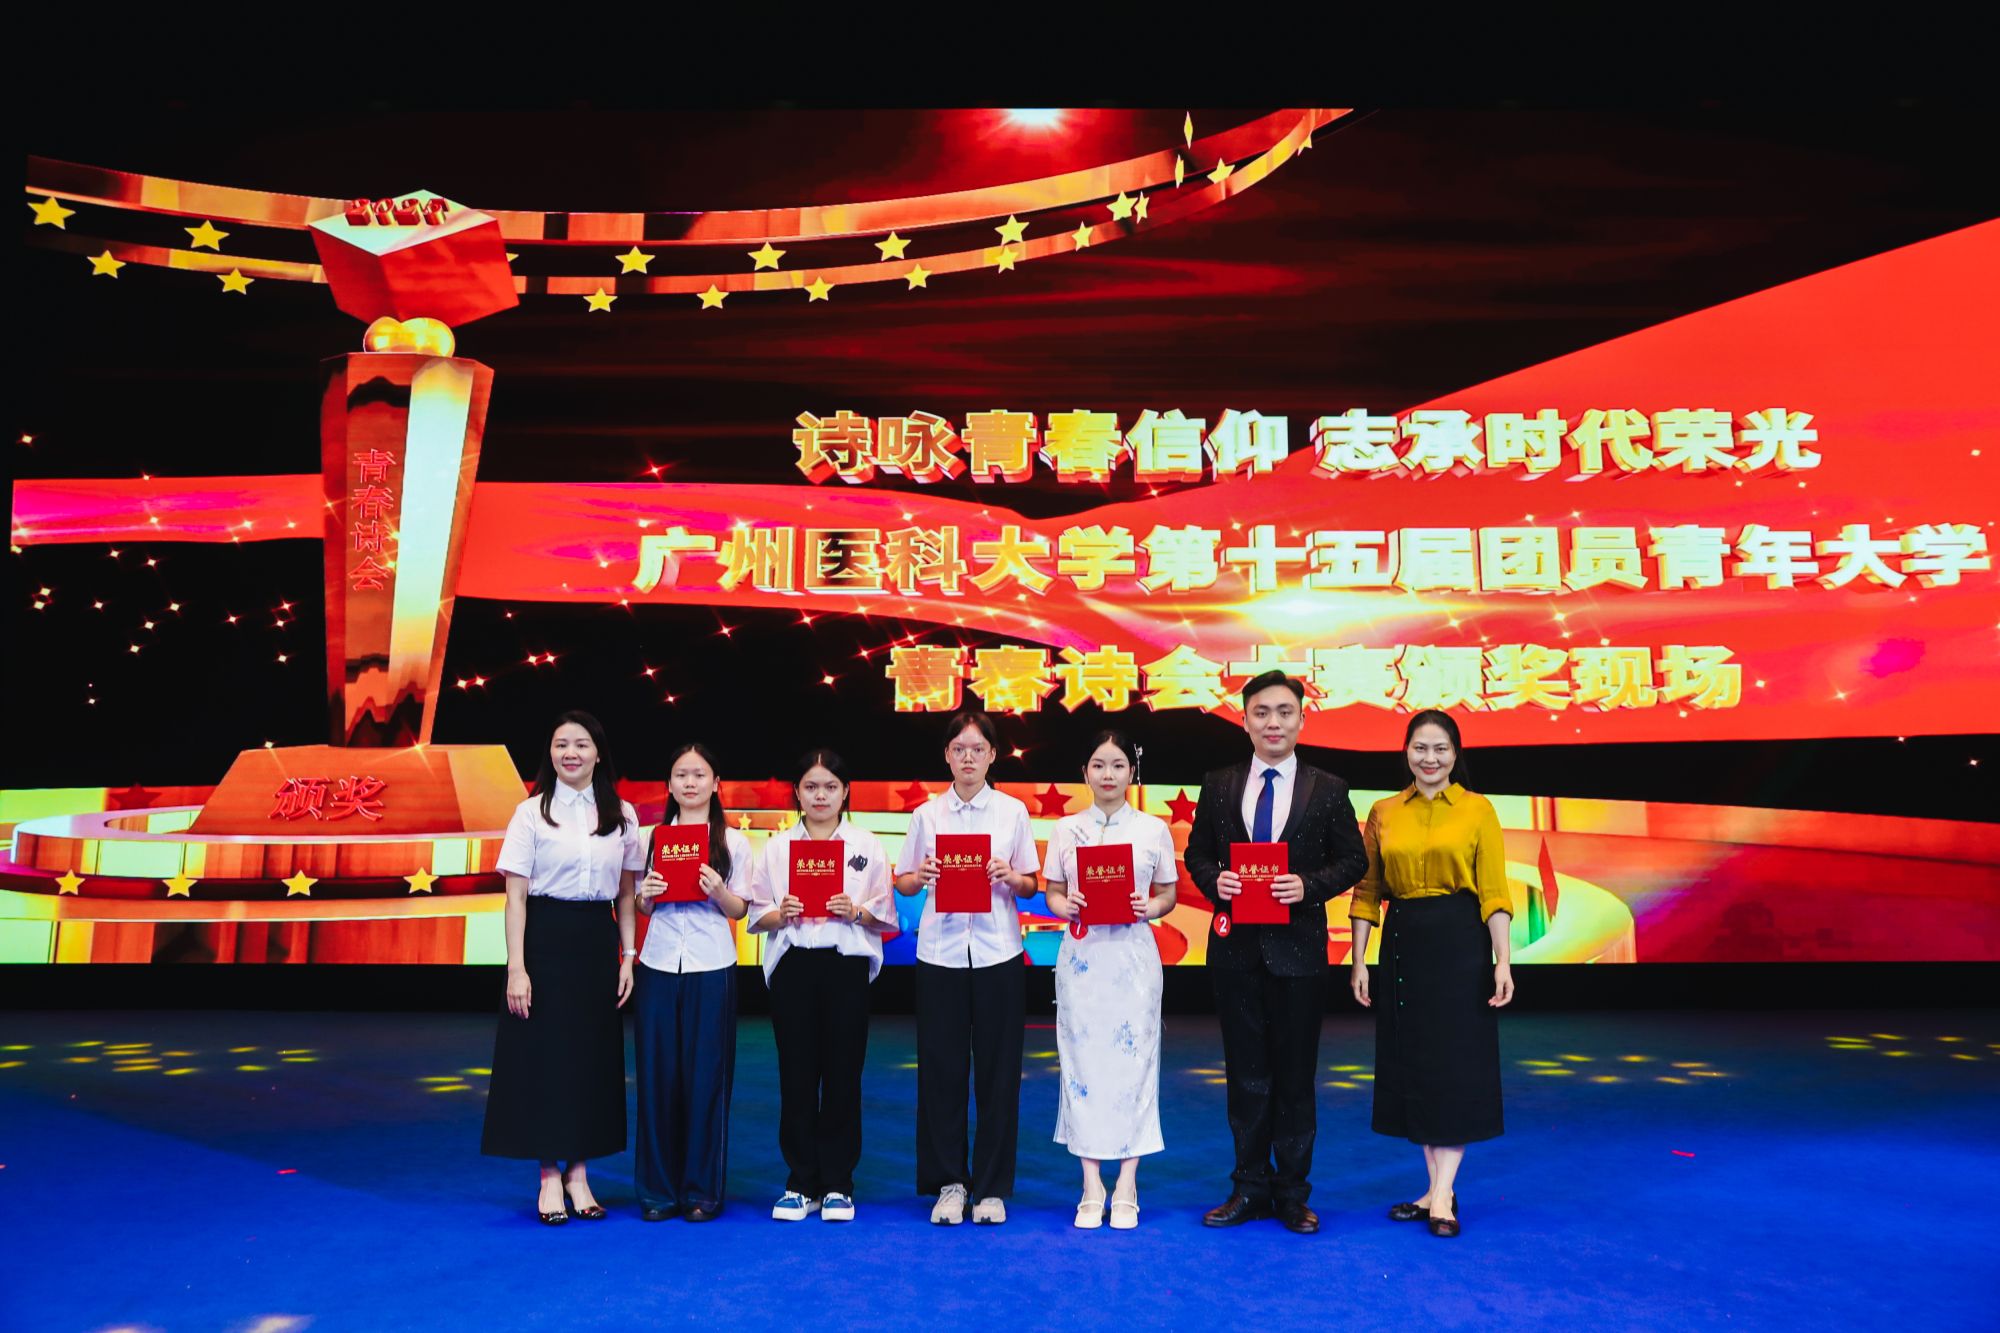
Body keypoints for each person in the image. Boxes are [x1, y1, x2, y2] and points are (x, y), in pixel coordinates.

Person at [1183, 670, 1368, 1235]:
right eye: (1261, 712)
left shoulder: (1328, 788)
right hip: (1235, 952)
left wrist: (1308, 886)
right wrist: (1216, 881)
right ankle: (1248, 1187)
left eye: (1284, 712)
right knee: (1245, 1075)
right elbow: (1197, 854)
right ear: (1244, 720)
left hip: (1300, 953)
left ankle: (1291, 1193)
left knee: (1294, 1077)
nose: (1273, 722)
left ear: (1302, 720)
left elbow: (1354, 860)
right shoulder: (1218, 783)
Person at [1348, 710, 1515, 1239]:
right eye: (1420, 747)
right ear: (1406, 752)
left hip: (1460, 945)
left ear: (1455, 753)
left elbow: (1494, 893)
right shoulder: (1383, 812)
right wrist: (1359, 959)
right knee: (1417, 1067)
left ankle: (1442, 1196)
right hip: (1403, 946)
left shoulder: (1478, 809)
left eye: (1440, 748)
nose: (1430, 758)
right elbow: (1367, 892)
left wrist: (1503, 960)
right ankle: (1434, 1189)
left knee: (1454, 1068)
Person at [481, 710, 643, 1225]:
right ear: (550, 753)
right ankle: (550, 1175)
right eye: (560, 744)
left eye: (581, 744)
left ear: (598, 752)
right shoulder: (531, 812)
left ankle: (580, 1174)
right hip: (544, 940)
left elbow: (626, 894)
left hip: (596, 941)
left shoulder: (622, 814)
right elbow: (515, 897)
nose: (570, 753)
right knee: (544, 1058)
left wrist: (628, 957)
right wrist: (517, 967)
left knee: (590, 1059)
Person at [894, 710, 1041, 1226]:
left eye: (978, 749)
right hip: (941, 954)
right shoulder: (927, 815)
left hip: (999, 953)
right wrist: (922, 875)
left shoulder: (1012, 812)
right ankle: (950, 1184)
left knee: (999, 1073)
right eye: (959, 749)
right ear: (947, 756)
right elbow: (903, 882)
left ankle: (992, 1187)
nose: (969, 758)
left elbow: (1032, 884)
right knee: (942, 1072)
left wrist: (1011, 877)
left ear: (993, 755)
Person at [746, 748, 897, 1223]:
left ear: (845, 792)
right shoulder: (777, 848)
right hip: (794, 968)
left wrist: (856, 911)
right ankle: (799, 1182)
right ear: (797, 792)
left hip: (845, 967)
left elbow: (885, 912)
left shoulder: (866, 845)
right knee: (796, 1075)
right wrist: (782, 913)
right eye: (811, 787)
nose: (820, 796)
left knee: (843, 1075)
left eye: (830, 787)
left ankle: (837, 1184)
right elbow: (757, 913)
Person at [1041, 730, 1178, 1230]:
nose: (1108, 775)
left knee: (1135, 1066)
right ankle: (1091, 1184)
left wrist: (1150, 906)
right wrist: (1065, 906)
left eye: (1118, 765)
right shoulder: (1066, 830)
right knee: (1083, 1067)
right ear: (1084, 772)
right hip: (1083, 961)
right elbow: (1052, 892)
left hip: (1133, 962)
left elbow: (1168, 894)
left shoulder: (1152, 829)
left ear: (1131, 772)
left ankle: (1127, 1183)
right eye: (1098, 765)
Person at [632, 742, 753, 1222]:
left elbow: (741, 911)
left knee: (707, 1079)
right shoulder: (651, 839)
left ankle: (702, 1190)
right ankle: (658, 1191)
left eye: (699, 775)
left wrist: (719, 891)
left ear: (716, 784)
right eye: (681, 774)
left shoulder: (734, 842)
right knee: (657, 1078)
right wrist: (646, 896)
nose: (690, 783)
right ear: (669, 784)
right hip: (659, 963)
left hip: (711, 964)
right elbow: (640, 905)